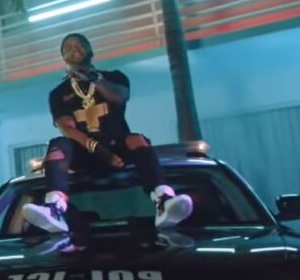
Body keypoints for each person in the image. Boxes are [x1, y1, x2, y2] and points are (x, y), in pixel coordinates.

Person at [22, 34, 194, 234]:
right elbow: (67, 128)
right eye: (68, 47)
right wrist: (100, 150)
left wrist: (96, 79)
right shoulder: (58, 93)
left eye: (80, 44)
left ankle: (164, 200)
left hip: (118, 147)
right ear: (63, 57)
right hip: (83, 153)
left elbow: (118, 97)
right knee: (58, 145)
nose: (74, 48)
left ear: (90, 50)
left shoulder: (115, 77)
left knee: (137, 140)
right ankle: (55, 208)